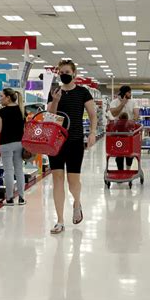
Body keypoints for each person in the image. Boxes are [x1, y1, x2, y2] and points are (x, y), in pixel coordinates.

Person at [47, 60, 97, 234]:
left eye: (67, 71)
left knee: (72, 181)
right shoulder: (54, 92)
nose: (64, 74)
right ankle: (60, 221)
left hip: (75, 140)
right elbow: (49, 116)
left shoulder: (83, 92)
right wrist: (55, 101)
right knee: (57, 179)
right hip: (55, 142)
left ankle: (77, 202)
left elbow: (92, 114)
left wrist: (92, 132)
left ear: (74, 73)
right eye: (61, 72)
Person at [0, 88, 26, 206]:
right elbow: (24, 129)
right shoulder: (21, 110)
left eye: (2, 96)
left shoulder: (2, 112)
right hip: (19, 143)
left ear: (8, 98)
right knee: (19, 170)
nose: (0, 99)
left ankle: (9, 199)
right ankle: (21, 198)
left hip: (6, 143)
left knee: (8, 171)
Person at [110, 86, 139, 170]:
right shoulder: (114, 102)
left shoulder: (133, 102)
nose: (130, 94)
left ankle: (128, 169)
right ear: (124, 93)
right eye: (129, 92)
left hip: (130, 132)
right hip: (118, 132)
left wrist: (131, 122)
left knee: (130, 153)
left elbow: (136, 115)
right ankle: (120, 171)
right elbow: (114, 114)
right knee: (119, 153)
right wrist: (122, 104)